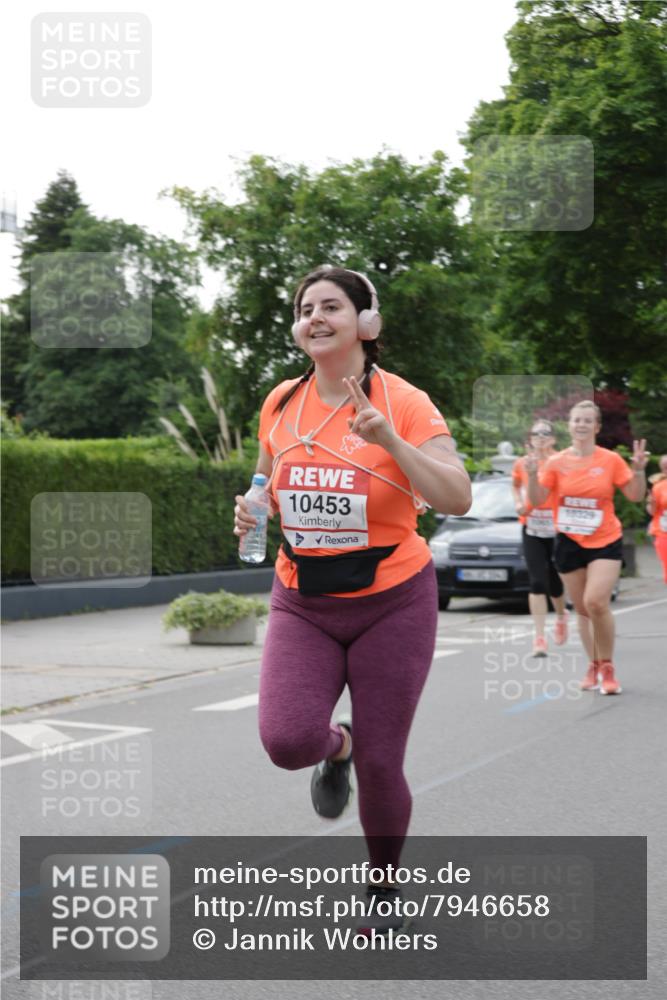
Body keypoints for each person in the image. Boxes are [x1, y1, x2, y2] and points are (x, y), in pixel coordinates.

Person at [233, 265, 471, 934]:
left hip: (392, 600)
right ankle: (332, 750)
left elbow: (455, 495)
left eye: (331, 306)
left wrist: (389, 441)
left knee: (382, 759)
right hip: (302, 598)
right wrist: (254, 511)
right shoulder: (281, 401)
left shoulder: (404, 402)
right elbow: (266, 479)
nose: (314, 317)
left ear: (366, 323)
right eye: (304, 307)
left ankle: (382, 891)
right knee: (286, 740)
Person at [526, 400, 649, 695]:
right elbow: (538, 500)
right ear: (569, 426)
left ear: (596, 427)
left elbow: (634, 495)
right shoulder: (555, 463)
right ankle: (593, 664)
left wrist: (639, 470)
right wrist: (531, 475)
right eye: (576, 420)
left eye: (586, 420)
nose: (580, 425)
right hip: (569, 542)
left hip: (605, 539)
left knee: (596, 602)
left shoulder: (609, 460)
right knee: (582, 610)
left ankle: (607, 666)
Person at [511, 419, 568, 656]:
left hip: (556, 529)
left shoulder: (562, 462)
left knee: (555, 580)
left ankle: (561, 616)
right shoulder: (522, 463)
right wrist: (518, 504)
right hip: (532, 528)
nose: (541, 437)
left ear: (553, 439)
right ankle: (540, 638)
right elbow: (514, 485)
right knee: (537, 582)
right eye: (536, 434)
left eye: (546, 433)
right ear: (530, 439)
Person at [646, 454, 667, 584]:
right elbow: (652, 512)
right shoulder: (659, 486)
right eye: (665, 467)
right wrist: (651, 503)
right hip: (663, 534)